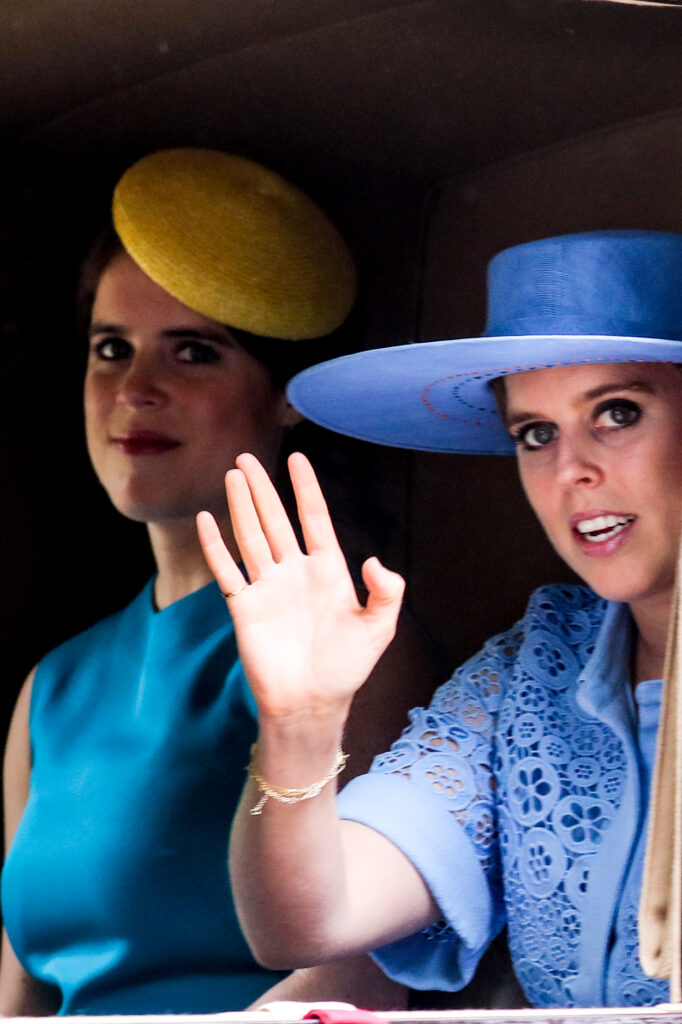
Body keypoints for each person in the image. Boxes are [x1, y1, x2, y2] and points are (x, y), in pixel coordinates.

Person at [0, 148, 436, 1016]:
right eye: (111, 348)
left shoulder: (355, 648)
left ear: (288, 393)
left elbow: (375, 968)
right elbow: (18, 997)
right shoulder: (53, 687)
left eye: (194, 352)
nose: (135, 388)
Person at [198, 229, 682, 1009]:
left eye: (618, 412)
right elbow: (305, 923)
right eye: (536, 433)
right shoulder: (533, 666)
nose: (571, 470)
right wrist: (300, 727)